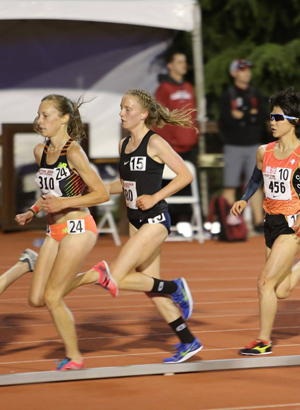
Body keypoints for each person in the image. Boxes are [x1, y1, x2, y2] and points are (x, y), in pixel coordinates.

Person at [66, 89, 202, 364]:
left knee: (114, 276)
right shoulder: (123, 145)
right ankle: (189, 341)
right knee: (149, 288)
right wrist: (97, 189)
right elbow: (123, 184)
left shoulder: (155, 143)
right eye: (120, 108)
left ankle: (175, 287)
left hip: (155, 220)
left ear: (143, 114)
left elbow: (185, 175)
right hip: (134, 221)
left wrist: (156, 196)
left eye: (127, 109)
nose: (121, 113)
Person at [230, 87, 300, 356]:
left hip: (292, 227)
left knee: (265, 283)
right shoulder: (264, 151)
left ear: (293, 122)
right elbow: (257, 178)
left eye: (278, 118)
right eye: (271, 116)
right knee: (281, 290)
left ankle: (263, 341)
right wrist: (245, 198)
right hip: (271, 224)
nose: (272, 121)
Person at [14, 94, 110, 370]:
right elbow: (49, 193)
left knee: (52, 297)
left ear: (64, 118)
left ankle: (75, 357)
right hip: (53, 230)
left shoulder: (74, 152)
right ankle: (95, 275)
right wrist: (33, 210)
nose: (39, 120)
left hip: (78, 228)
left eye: (46, 115)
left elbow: (101, 194)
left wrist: (65, 203)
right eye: (39, 115)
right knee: (35, 299)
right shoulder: (40, 151)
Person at [219, 59, 268, 232]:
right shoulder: (228, 95)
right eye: (242, 70)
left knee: (255, 184)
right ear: (234, 73)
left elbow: (262, 116)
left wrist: (244, 115)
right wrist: (250, 115)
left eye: (248, 70)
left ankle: (258, 221)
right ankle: (232, 222)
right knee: (230, 185)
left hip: (254, 144)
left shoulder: (255, 93)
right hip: (233, 145)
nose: (247, 73)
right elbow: (228, 120)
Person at [154, 50, 199, 224]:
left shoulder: (188, 86)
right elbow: (159, 118)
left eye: (184, 62)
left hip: (189, 147)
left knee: (188, 185)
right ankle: (168, 222)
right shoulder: (164, 88)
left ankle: (186, 222)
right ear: (170, 66)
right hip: (172, 148)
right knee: (170, 186)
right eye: (179, 62)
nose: (184, 65)